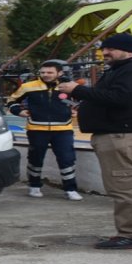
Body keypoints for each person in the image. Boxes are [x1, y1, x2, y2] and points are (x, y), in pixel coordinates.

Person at [57, 33, 132, 249]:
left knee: (124, 186)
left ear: (128, 50)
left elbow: (121, 98)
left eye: (111, 49)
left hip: (122, 136)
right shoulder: (123, 69)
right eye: (104, 49)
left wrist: (78, 90)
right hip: (120, 135)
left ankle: (131, 234)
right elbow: (112, 98)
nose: (105, 53)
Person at [7, 60, 82, 201]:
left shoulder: (69, 87)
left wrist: (75, 110)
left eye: (49, 72)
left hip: (63, 128)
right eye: (42, 72)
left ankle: (70, 189)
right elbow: (11, 101)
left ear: (59, 73)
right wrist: (19, 111)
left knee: (67, 159)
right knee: (35, 158)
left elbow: (82, 101)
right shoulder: (28, 87)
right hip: (36, 128)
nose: (45, 75)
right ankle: (34, 186)